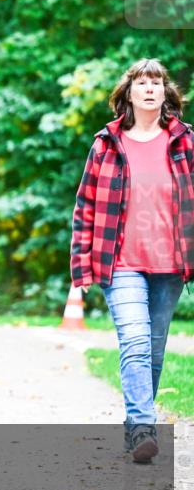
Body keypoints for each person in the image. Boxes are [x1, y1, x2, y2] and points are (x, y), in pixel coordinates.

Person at [70, 58, 193, 464]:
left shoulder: (186, 142)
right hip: (119, 262)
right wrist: (81, 265)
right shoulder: (107, 144)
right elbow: (85, 206)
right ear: (129, 93)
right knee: (136, 343)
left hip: (170, 265)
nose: (150, 88)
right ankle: (143, 425)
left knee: (154, 351)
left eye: (157, 81)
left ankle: (134, 427)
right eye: (142, 82)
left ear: (165, 93)